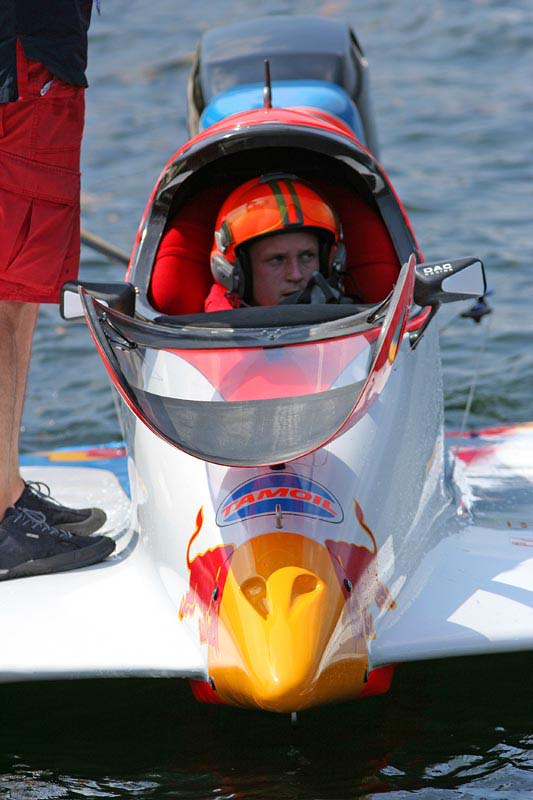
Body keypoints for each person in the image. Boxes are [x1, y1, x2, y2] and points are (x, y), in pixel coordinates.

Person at [0, 1, 115, 582]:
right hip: (22, 59)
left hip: (34, 56)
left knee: (18, 290)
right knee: (5, 292)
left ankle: (6, 491)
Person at [206, 174, 346, 310]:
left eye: (307, 256)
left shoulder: (356, 318)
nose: (296, 275)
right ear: (237, 274)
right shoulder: (210, 326)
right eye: (277, 259)